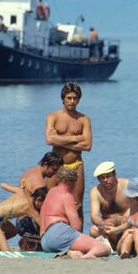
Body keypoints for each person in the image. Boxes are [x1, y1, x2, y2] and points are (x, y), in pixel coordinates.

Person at [45, 82, 92, 230]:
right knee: (50, 200)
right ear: (63, 99)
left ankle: (78, 237)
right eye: (69, 98)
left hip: (76, 164)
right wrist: (76, 138)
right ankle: (47, 235)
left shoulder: (84, 119)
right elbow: (49, 140)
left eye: (75, 98)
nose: (72, 101)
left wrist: (60, 140)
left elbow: (88, 146)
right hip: (56, 165)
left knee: (77, 203)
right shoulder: (53, 116)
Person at [40, 167, 110, 259]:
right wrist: (75, 211)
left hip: (45, 240)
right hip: (58, 233)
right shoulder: (67, 196)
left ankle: (70, 253)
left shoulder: (51, 191)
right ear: (73, 182)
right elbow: (76, 226)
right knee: (103, 248)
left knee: (77, 247)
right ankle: (86, 257)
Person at [0, 151, 63, 249]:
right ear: (45, 164)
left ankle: (4, 242)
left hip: (20, 218)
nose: (55, 173)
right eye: (54, 169)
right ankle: (28, 243)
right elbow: (38, 208)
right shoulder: (39, 183)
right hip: (27, 221)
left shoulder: (30, 172)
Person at [102, 177, 138, 259]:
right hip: (128, 241)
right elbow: (129, 224)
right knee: (130, 235)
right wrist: (114, 229)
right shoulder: (133, 205)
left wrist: (132, 230)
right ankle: (125, 254)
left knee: (136, 233)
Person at [0, 186, 48, 252]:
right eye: (44, 205)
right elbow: (43, 227)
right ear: (38, 199)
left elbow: (3, 185)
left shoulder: (22, 192)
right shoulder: (30, 209)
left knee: (13, 231)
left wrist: (22, 186)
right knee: (6, 251)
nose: (43, 208)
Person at [88, 161, 131, 249]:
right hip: (109, 231)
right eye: (101, 178)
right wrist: (103, 223)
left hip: (126, 227)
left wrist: (128, 212)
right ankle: (111, 246)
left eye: (108, 176)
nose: (105, 180)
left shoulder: (126, 184)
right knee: (93, 230)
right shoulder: (95, 191)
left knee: (134, 225)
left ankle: (120, 245)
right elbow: (94, 216)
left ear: (115, 174)